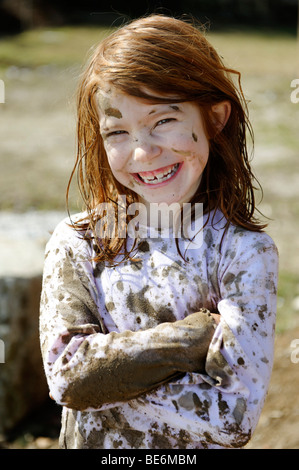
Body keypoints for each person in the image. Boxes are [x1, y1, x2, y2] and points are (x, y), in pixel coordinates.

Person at [39, 14, 278, 449]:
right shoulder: (77, 244)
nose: (143, 151)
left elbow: (233, 417)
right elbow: (68, 378)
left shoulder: (242, 252)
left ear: (215, 117)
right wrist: (191, 340)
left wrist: (106, 378)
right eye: (117, 131)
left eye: (163, 120)